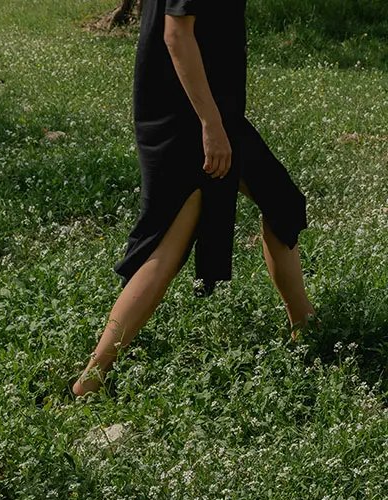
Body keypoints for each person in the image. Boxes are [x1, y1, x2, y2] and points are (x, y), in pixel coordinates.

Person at [73, 0, 316, 396]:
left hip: (211, 111)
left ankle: (305, 325)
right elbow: (176, 34)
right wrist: (212, 126)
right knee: (169, 244)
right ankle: (93, 376)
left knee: (281, 201)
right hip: (188, 117)